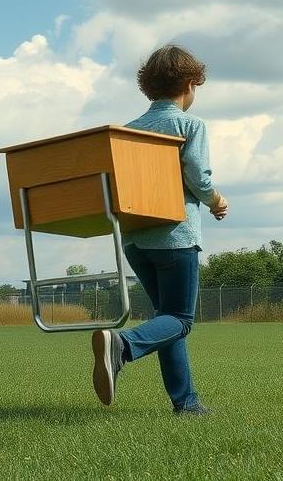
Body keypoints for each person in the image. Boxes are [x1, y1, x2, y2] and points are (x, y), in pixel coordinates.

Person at [91, 44, 228, 416]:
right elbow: (198, 177)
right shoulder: (189, 125)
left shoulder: (129, 129)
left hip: (136, 240)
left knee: (167, 319)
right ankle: (123, 345)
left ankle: (186, 404)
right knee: (180, 319)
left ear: (148, 87)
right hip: (175, 237)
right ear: (189, 84)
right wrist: (216, 201)